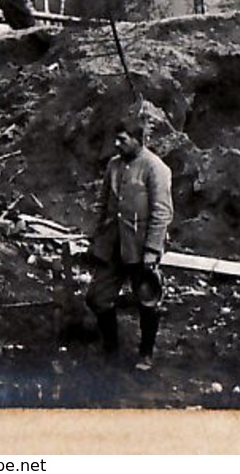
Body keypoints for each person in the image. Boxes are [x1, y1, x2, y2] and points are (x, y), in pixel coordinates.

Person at [86, 112, 173, 371]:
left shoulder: (155, 168)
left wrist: (151, 250)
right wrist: (95, 239)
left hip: (140, 248)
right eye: (116, 139)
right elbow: (102, 205)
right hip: (112, 245)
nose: (117, 144)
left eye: (123, 140)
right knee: (97, 297)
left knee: (147, 300)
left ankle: (146, 353)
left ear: (138, 139)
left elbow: (162, 212)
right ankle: (111, 349)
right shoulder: (113, 165)